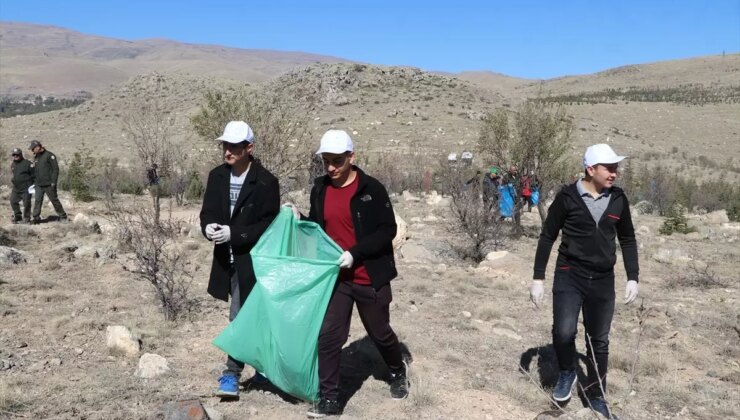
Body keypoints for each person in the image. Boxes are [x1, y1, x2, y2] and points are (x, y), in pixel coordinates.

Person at [286, 129, 408, 417]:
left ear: (352, 157)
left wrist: (355, 253)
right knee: (329, 337)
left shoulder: (372, 189)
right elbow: (318, 228)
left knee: (380, 334)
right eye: (326, 161)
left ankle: (396, 370)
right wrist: (298, 218)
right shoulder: (320, 189)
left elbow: (387, 230)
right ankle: (330, 400)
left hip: (369, 277)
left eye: (337, 161)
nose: (330, 168)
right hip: (337, 278)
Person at [529, 144, 639, 420]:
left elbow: (627, 239)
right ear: (591, 169)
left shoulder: (618, 200)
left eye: (616, 168)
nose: (615, 173)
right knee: (564, 333)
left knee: (598, 341)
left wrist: (633, 277)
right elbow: (547, 236)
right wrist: (538, 278)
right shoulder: (567, 198)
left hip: (603, 279)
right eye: (609, 168)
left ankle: (596, 393)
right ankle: (567, 371)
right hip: (570, 274)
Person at [199, 121, 280, 398]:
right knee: (248, 315)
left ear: (249, 148)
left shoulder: (267, 182)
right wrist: (208, 227)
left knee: (240, 316)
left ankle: (231, 374)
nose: (227, 151)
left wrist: (235, 233)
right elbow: (207, 212)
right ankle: (263, 370)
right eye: (225, 145)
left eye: (234, 146)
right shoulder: (217, 176)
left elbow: (268, 226)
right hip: (226, 260)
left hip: (254, 261)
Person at [28, 140, 67, 224]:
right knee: (38, 200)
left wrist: (53, 182)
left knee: (54, 200)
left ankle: (63, 216)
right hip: (38, 184)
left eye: (33, 149)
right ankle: (36, 218)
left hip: (49, 184)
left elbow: (55, 169)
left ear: (38, 147)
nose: (32, 151)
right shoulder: (37, 157)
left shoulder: (49, 155)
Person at [10, 148, 34, 224]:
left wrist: (32, 185)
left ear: (21, 154)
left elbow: (34, 174)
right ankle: (18, 216)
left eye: (17, 154)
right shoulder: (13, 164)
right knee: (13, 201)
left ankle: (27, 219)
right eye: (14, 155)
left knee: (26, 204)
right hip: (16, 188)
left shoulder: (27, 163)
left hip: (26, 188)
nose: (15, 156)